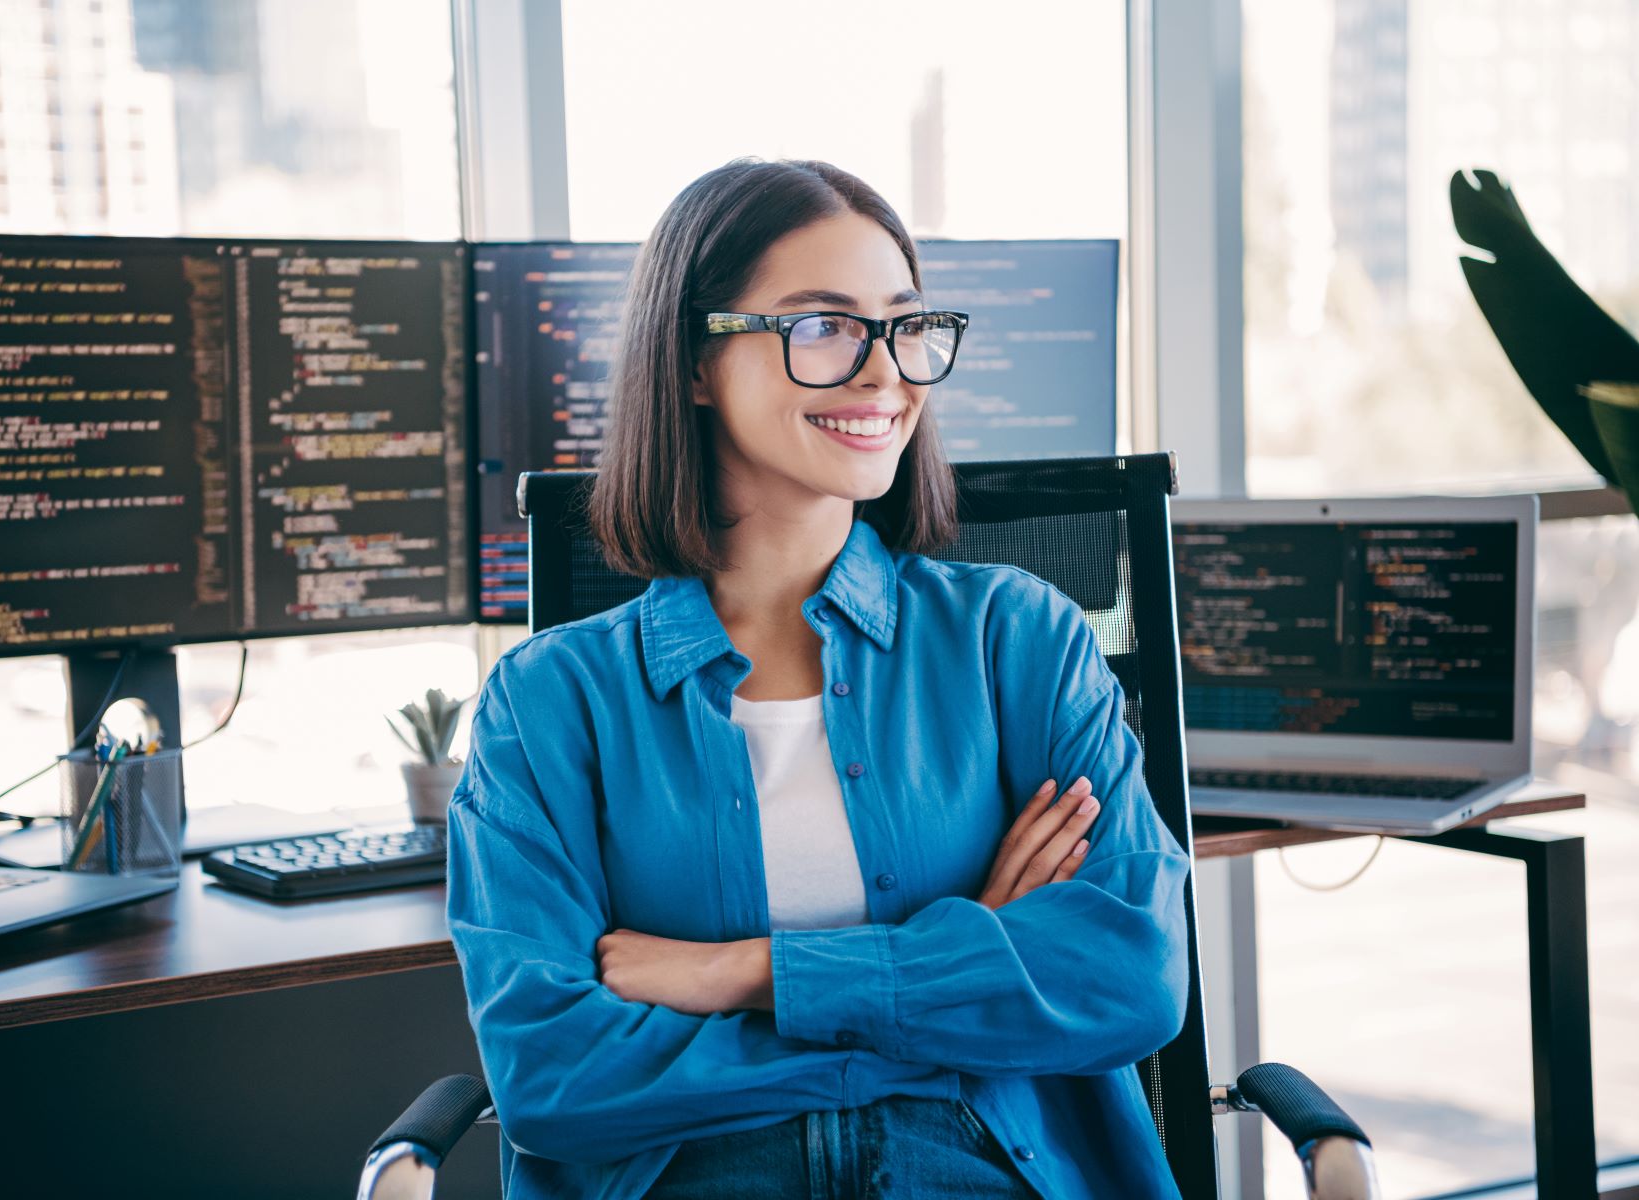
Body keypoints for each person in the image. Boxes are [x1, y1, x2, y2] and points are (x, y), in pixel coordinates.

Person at [445, 158, 1191, 1199]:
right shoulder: (549, 702)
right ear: (695, 361)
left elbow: (1130, 977)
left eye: (905, 325)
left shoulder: (1017, 638)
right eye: (823, 326)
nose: (886, 372)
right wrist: (966, 982)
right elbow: (553, 1078)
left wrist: (739, 975)